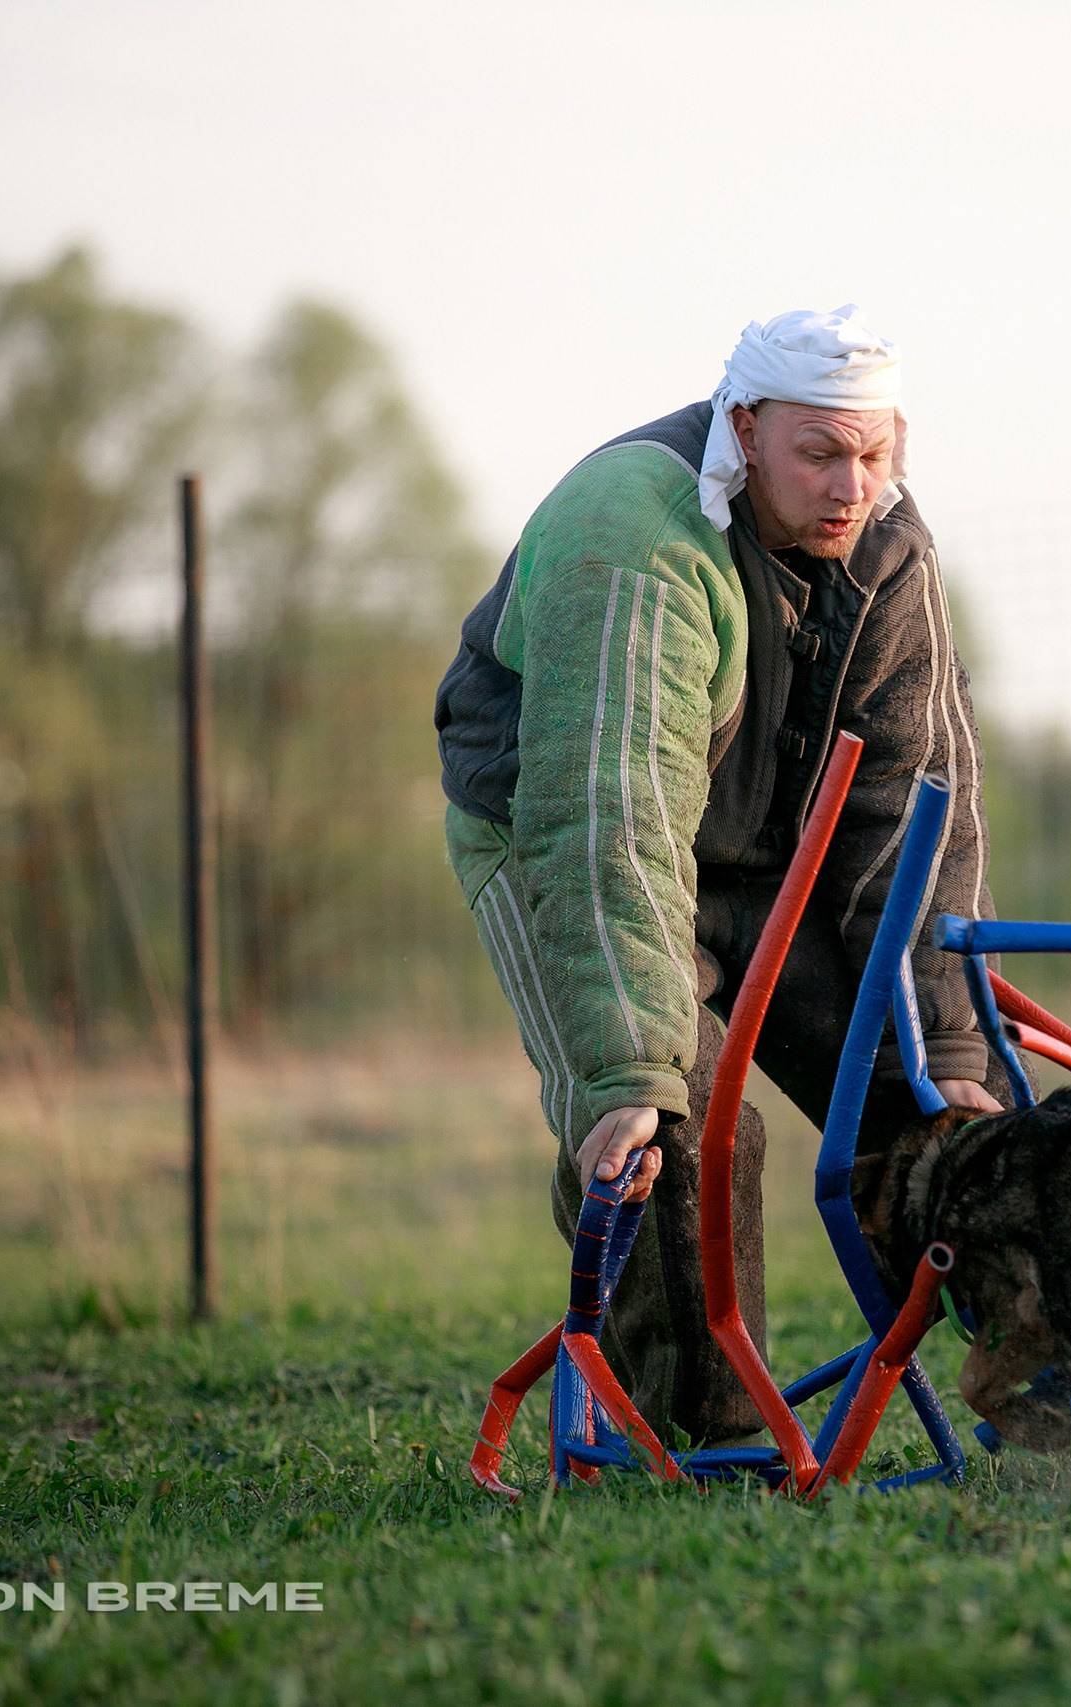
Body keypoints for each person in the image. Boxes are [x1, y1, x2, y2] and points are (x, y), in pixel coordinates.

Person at [434, 306, 1007, 1444]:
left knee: (935, 1111)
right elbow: (608, 818)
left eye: (876, 451)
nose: (854, 483)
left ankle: (1051, 1388)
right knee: (675, 1127)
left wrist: (947, 1049)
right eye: (820, 453)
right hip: (568, 837)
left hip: (768, 859)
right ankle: (702, 1433)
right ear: (744, 429)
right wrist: (624, 1069)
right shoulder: (636, 536)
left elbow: (918, 811)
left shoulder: (890, 544)